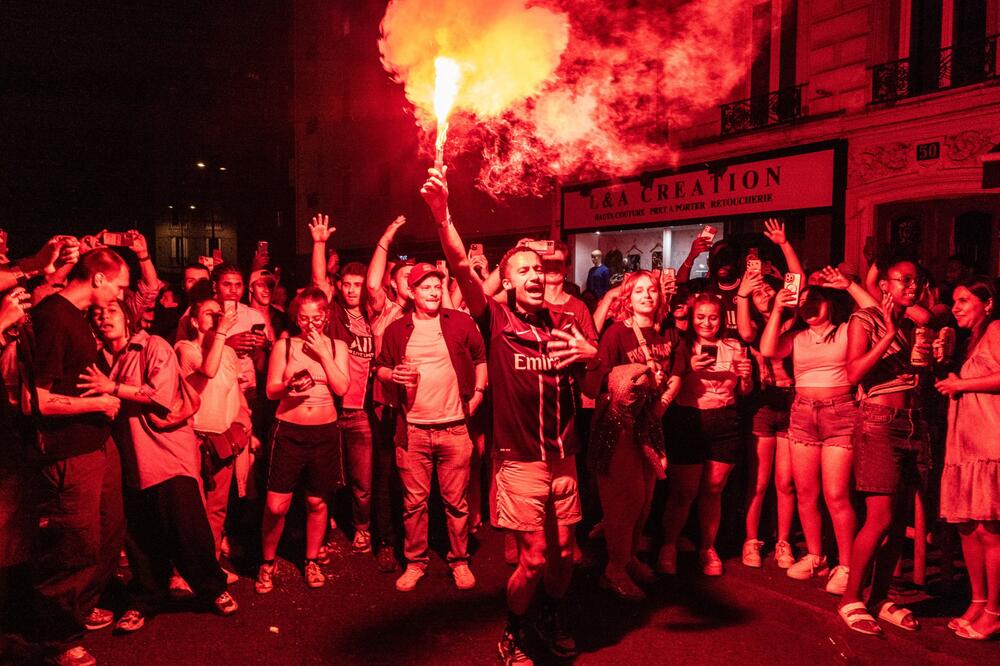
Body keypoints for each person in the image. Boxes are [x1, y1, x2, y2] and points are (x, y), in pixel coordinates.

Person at [422, 167, 597, 663]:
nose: (535, 276)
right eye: (523, 271)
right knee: (535, 558)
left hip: (564, 458)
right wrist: (442, 215)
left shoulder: (568, 323)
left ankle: (553, 616)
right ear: (509, 282)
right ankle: (516, 631)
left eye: (539, 270)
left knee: (566, 554)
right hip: (518, 461)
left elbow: (593, 387)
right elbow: (459, 264)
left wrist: (592, 357)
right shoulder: (496, 319)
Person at [82, 300, 237, 632]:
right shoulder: (100, 358)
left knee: (186, 529)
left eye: (110, 311)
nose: (102, 317)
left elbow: (161, 394)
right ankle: (144, 601)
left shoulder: (153, 346)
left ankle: (213, 589)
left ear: (127, 317)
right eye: (97, 314)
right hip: (129, 458)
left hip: (167, 455)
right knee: (139, 538)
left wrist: (113, 389)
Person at [27, 247, 129, 666]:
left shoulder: (78, 320)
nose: (120, 295)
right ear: (100, 279)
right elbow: (39, 399)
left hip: (95, 445)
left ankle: (80, 610)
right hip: (70, 452)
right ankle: (57, 641)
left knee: (107, 533)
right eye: (119, 285)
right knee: (74, 545)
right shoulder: (54, 317)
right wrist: (99, 404)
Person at [761, 266, 877, 594]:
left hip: (841, 413)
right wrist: (778, 308)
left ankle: (846, 564)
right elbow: (769, 349)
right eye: (804, 303)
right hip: (802, 413)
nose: (809, 308)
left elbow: (874, 313)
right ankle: (816, 556)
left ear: (831, 302)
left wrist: (850, 284)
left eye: (817, 301)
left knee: (837, 494)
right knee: (806, 491)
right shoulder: (796, 336)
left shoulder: (847, 330)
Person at [375, 262, 487, 592]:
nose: (434, 291)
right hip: (413, 431)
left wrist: (478, 394)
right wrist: (390, 375)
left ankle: (459, 560)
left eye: (437, 286)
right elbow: (380, 368)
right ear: (411, 292)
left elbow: (482, 358)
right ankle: (415, 562)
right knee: (414, 504)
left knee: (456, 503)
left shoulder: (461, 322)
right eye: (425, 287)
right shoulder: (397, 330)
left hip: (455, 428)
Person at [838, 254, 932, 636]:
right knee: (878, 518)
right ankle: (850, 597)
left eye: (917, 281)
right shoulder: (864, 320)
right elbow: (853, 372)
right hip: (878, 422)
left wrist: (930, 362)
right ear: (885, 286)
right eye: (904, 280)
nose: (912, 287)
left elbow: (913, 376)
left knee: (898, 522)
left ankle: (878, 596)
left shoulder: (914, 324)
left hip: (912, 422)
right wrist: (889, 334)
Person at [583, 271, 682, 600]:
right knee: (623, 501)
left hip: (651, 422)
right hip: (620, 425)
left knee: (645, 498)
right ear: (628, 297)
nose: (646, 296)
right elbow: (595, 383)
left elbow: (679, 372)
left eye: (652, 290)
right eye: (638, 291)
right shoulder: (616, 333)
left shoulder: (668, 330)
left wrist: (661, 405)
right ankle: (613, 570)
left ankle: (629, 559)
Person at [256, 288, 349, 593]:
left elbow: (341, 388)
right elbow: (270, 391)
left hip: (324, 431)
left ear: (326, 316)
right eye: (305, 317)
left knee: (316, 501)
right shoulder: (284, 346)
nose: (311, 323)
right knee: (276, 505)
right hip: (289, 431)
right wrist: (287, 385)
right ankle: (267, 561)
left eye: (317, 317)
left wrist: (322, 353)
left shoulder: (337, 347)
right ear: (297, 317)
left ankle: (310, 560)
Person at [658, 292, 752, 577]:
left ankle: (707, 548)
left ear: (722, 318)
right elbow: (669, 388)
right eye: (701, 317)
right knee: (683, 492)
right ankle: (668, 546)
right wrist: (688, 370)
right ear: (692, 318)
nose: (707, 323)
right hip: (689, 418)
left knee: (713, 490)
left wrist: (746, 375)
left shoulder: (733, 345)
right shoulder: (682, 346)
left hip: (725, 420)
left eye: (713, 317)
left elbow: (744, 391)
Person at [935, 277, 1000, 640]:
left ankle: (995, 611)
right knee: (968, 527)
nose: (956, 307)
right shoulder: (966, 340)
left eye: (963, 300)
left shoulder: (996, 329)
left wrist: (961, 384)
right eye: (954, 301)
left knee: (991, 531)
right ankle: (978, 602)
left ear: (987, 303)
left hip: (990, 443)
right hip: (964, 444)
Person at [174, 286, 254, 569]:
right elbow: (207, 370)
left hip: (222, 439)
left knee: (217, 508)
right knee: (191, 509)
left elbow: (236, 392)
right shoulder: (185, 349)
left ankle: (209, 568)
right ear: (195, 322)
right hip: (193, 438)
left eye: (220, 314)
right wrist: (222, 332)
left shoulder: (229, 354)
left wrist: (245, 425)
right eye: (211, 315)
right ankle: (184, 571)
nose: (219, 318)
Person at [365, 214, 413, 572]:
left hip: (422, 406)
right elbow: (370, 283)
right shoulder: (387, 309)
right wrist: (387, 234)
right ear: (394, 284)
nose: (414, 281)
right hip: (387, 405)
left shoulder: (432, 312)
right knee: (385, 473)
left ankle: (417, 540)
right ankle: (385, 539)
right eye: (406, 277)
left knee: (417, 476)